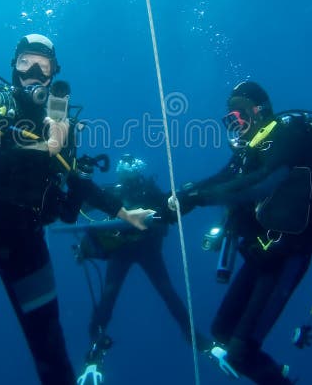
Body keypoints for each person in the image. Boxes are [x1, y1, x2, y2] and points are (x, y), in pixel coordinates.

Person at [0, 34, 153, 385]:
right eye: (25, 63)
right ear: (13, 67)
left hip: (25, 237)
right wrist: (47, 148)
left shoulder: (62, 123)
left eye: (43, 66)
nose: (33, 72)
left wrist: (124, 214)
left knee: (50, 346)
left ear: (53, 74)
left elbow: (77, 181)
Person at [170, 81, 312, 385]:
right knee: (222, 333)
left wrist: (197, 199)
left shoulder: (289, 135)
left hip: (289, 253)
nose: (235, 127)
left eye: (237, 117)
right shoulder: (254, 148)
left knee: (241, 350)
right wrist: (176, 199)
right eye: (230, 121)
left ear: (258, 111)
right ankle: (279, 376)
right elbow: (222, 177)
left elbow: (263, 182)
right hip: (262, 253)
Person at [74, 155, 211, 384]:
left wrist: (181, 197)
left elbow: (168, 205)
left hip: (142, 251)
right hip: (129, 251)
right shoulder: (119, 191)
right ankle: (95, 349)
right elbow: (82, 204)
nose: (127, 178)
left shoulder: (146, 190)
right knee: (116, 296)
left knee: (148, 293)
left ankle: (195, 337)